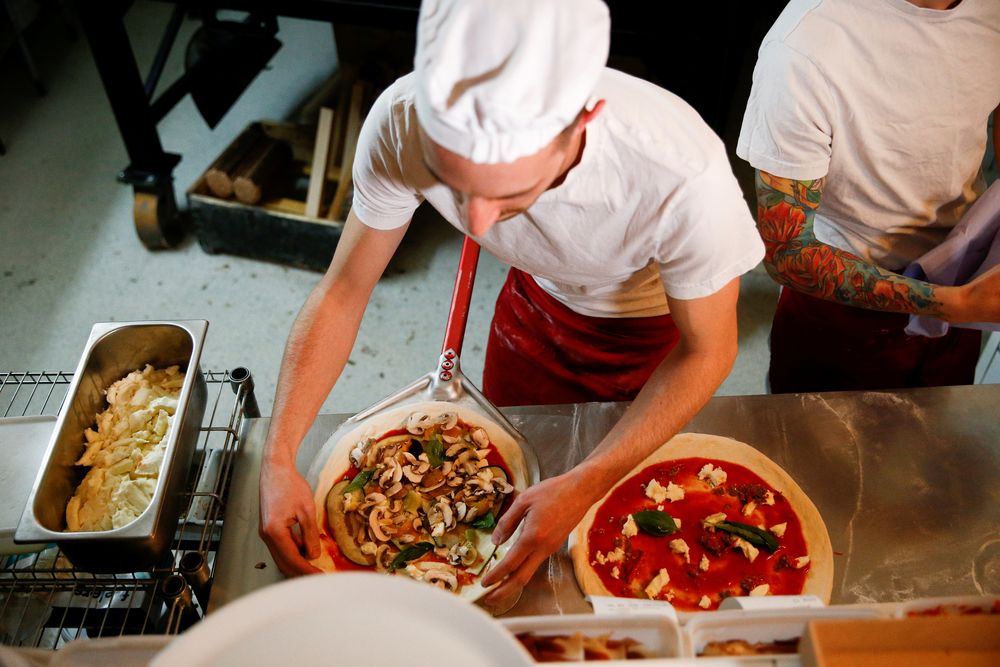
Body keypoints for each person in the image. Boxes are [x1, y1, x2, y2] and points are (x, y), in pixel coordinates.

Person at [260, 0, 764, 608]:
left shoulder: (682, 177)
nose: (476, 222)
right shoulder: (400, 119)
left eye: (510, 194)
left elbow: (708, 350)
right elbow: (343, 290)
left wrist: (585, 484)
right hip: (533, 300)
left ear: (583, 121)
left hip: (651, 333)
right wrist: (280, 456)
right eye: (451, 183)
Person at [737, 0, 1000, 393]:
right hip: (843, 310)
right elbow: (788, 253)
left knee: (937, 448)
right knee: (816, 451)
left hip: (963, 282)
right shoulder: (805, 45)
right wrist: (953, 303)